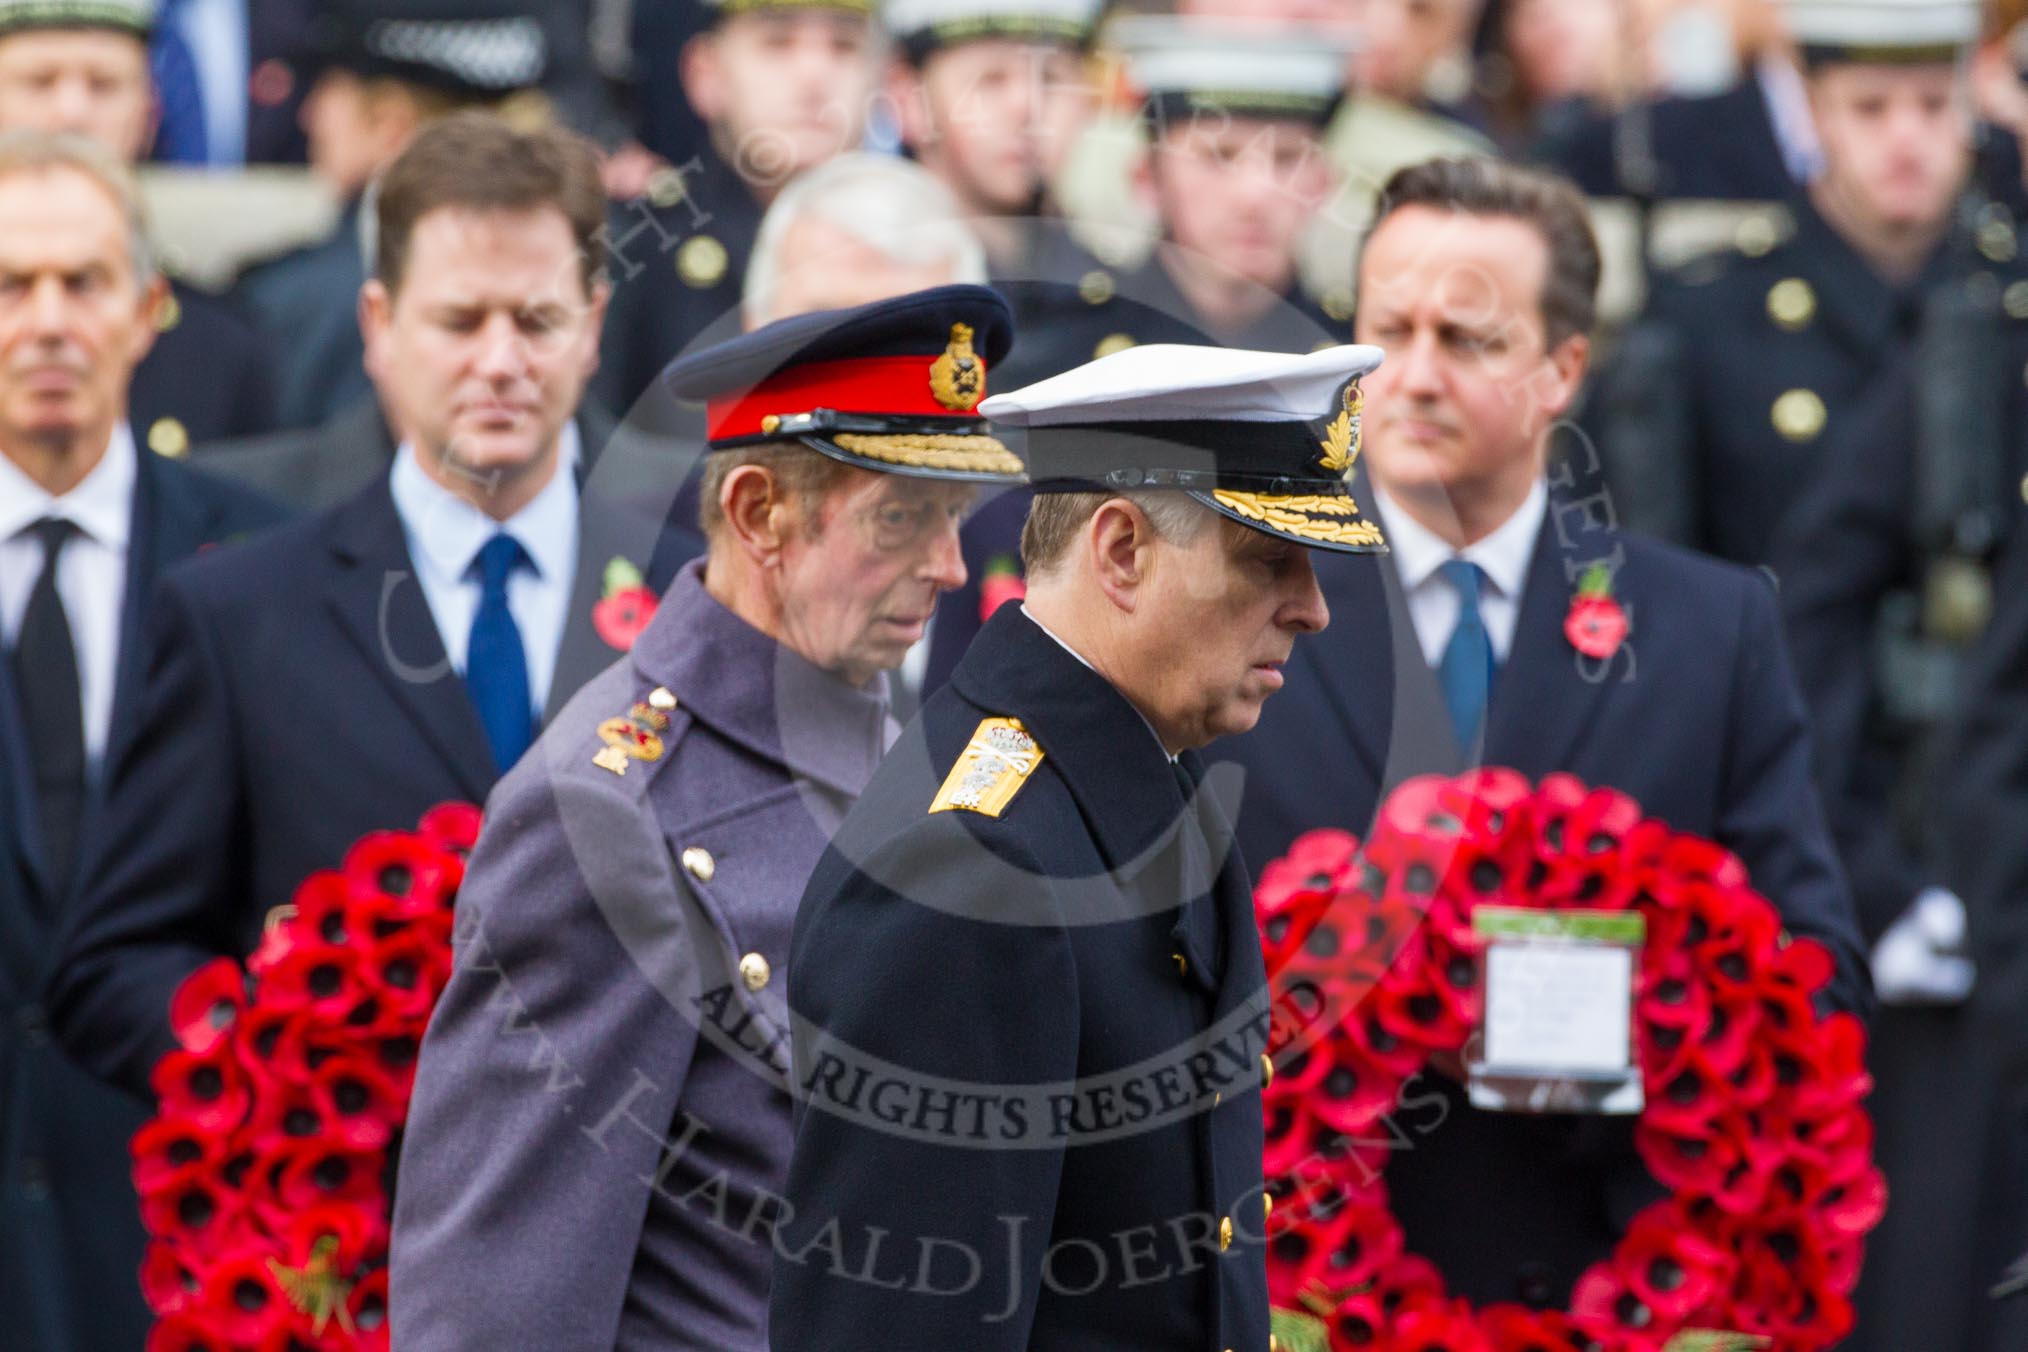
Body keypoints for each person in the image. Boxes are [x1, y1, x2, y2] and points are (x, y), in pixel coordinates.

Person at [1225, 155, 1870, 1310]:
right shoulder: (1234, 603)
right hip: (1291, 1290)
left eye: (1467, 338)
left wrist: (1631, 1006)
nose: (1414, 376)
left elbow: (1813, 964)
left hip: (1596, 1281)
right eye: (1388, 330)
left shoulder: (1705, 628)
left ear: (1563, 367)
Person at [391, 284, 1023, 1352]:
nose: (951, 567)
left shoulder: (898, 746)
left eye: (955, 519)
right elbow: (498, 1300)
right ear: (759, 515)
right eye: (904, 518)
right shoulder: (600, 813)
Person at [47, 113, 696, 1099]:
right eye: (459, 319)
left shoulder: (697, 601)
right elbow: (115, 966)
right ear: (378, 327)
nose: (500, 361)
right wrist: (281, 1063)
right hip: (354, 1223)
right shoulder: (241, 613)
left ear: (593, 326)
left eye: (535, 320)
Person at [770, 340, 1389, 1349]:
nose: (1312, 607)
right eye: (1266, 557)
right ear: (1121, 551)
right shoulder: (977, 869)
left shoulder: (1135, 769)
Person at [0, 130, 283, 1352]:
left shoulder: (271, 565)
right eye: (11, 285)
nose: (50, 321)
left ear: (150, 307)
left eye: (85, 282)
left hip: (183, 1220)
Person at [1592, 0, 2006, 568]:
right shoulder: (1709, 315)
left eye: (1935, 105)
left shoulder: (2007, 296)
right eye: (1870, 108)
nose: (1907, 139)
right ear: (1814, 113)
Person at [232, 0, 556, 430]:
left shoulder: (287, 302)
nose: (309, 118)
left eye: (325, 90)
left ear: (389, 126)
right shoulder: (588, 268)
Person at [0, 0, 278, 452]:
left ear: (150, 113)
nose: (71, 113)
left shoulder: (219, 347)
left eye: (103, 85)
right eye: (39, 82)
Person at [592, 0, 885, 413]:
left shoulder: (922, 245)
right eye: (777, 44)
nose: (814, 76)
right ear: (705, 74)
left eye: (844, 46)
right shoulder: (639, 247)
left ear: (881, 79)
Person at [1113, 16, 1345, 354]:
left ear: (1322, 183)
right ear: (1149, 178)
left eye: (1287, 158)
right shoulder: (1065, 344)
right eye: (1219, 156)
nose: (1256, 193)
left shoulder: (1357, 357)